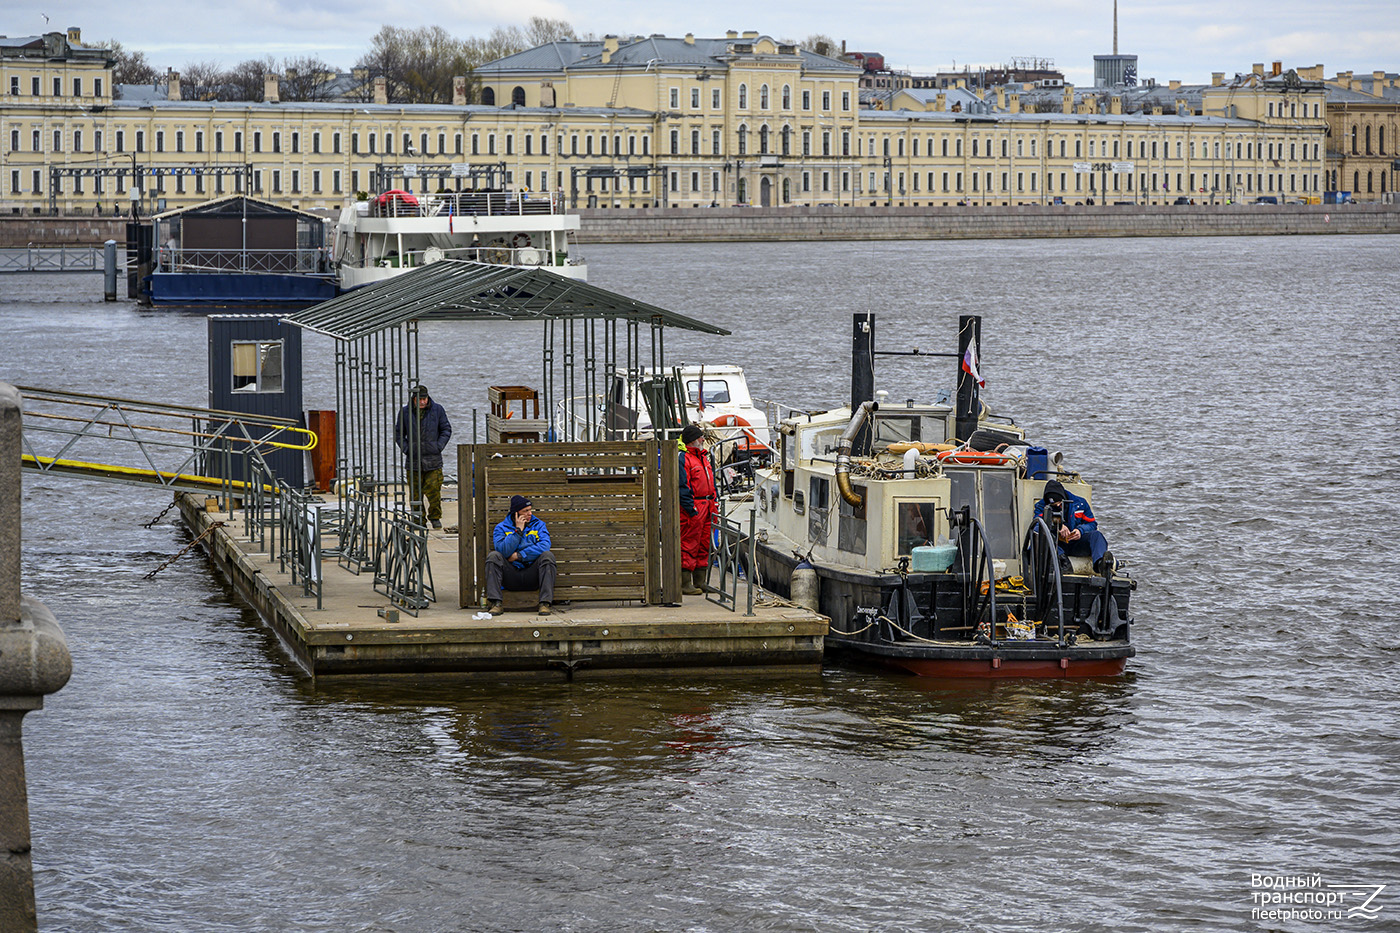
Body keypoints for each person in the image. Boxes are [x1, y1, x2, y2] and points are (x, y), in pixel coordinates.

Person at [486, 495, 556, 615]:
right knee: (493, 557)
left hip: (532, 574)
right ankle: (496, 603)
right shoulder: (501, 528)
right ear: (516, 513)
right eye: (525, 511)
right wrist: (518, 531)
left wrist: (520, 555)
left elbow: (544, 546)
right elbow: (503, 551)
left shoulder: (539, 525)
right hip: (510, 575)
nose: (530, 513)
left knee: (548, 556)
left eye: (530, 510)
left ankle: (545, 604)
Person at [394, 385, 452, 529]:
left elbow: (446, 429)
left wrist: (438, 446)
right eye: (419, 399)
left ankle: (435, 517)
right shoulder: (405, 412)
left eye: (424, 399)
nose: (422, 402)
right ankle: (418, 520)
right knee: (415, 494)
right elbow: (399, 434)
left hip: (433, 459)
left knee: (434, 491)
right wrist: (407, 449)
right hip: (413, 461)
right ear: (413, 399)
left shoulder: (437, 410)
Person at [1033, 480, 1114, 575]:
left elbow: (1092, 524)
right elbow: (1037, 527)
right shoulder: (1040, 506)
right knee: (1042, 534)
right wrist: (1057, 526)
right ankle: (1062, 561)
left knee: (1097, 536)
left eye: (1060, 503)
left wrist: (1080, 531)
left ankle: (1101, 564)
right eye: (1054, 505)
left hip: (1076, 544)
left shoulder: (1080, 503)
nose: (1058, 506)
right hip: (1056, 546)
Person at [678, 423, 717, 596]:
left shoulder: (703, 457)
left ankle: (700, 581)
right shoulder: (684, 459)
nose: (703, 439)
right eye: (700, 437)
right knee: (689, 544)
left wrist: (714, 502)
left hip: (707, 506)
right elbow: (682, 486)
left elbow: (711, 483)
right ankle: (685, 583)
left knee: (704, 544)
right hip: (694, 507)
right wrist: (691, 509)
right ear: (694, 440)